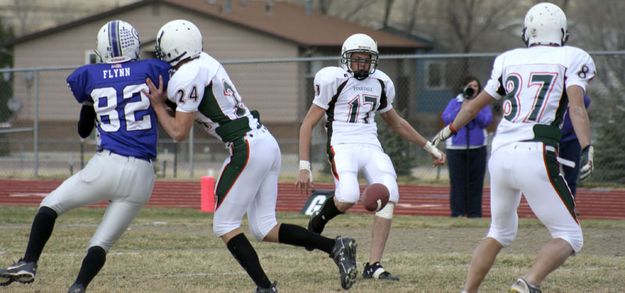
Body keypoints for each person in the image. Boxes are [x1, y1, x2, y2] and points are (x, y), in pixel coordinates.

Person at [145, 19, 358, 292]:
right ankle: (335, 246)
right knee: (264, 227)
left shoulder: (186, 77)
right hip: (265, 141)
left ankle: (265, 287)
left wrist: (157, 106)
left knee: (224, 225)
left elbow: (178, 132)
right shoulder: (206, 62)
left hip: (245, 147)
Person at [432, 3, 595, 293]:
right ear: (561, 32)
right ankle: (528, 283)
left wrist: (448, 130)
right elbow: (576, 108)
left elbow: (472, 107)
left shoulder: (509, 59)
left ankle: (467, 291)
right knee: (570, 235)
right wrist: (586, 146)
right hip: (535, 152)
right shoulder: (572, 56)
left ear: (528, 32)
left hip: (501, 153)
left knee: (499, 231)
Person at [0, 20, 171, 293]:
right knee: (102, 242)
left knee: (50, 205)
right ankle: (78, 286)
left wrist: (90, 103)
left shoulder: (89, 76)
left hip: (107, 165)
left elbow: (83, 131)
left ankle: (29, 262)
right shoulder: (155, 70)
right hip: (143, 174)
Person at [296, 33, 445, 282]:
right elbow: (307, 123)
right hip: (342, 143)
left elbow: (396, 122)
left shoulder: (381, 82)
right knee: (348, 197)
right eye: (357, 59)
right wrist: (304, 165)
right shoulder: (333, 79)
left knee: (390, 195)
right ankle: (318, 220)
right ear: (346, 59)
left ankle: (373, 265)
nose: (362, 64)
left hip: (370, 143)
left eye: (367, 59)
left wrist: (429, 146)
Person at [442, 76, 492, 218]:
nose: (473, 89)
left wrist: (473, 110)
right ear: (463, 87)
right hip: (456, 148)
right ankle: (457, 212)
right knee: (458, 182)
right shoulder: (454, 102)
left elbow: (486, 121)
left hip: (477, 147)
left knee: (475, 182)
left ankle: (474, 213)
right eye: (470, 86)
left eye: (476, 86)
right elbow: (446, 119)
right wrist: (463, 109)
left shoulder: (483, 104)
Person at [559, 95, 591, 196]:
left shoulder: (579, 95)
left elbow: (583, 104)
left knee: (571, 175)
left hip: (572, 140)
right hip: (553, 139)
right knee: (548, 173)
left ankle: (571, 203)